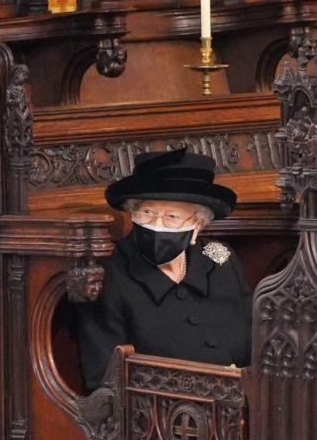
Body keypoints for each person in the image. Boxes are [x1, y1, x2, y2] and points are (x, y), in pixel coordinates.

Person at [78, 147, 251, 390]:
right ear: (132, 213)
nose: (157, 226)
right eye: (147, 213)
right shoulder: (109, 275)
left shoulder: (220, 259)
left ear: (197, 227)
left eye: (172, 217)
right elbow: (104, 384)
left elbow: (255, 346)